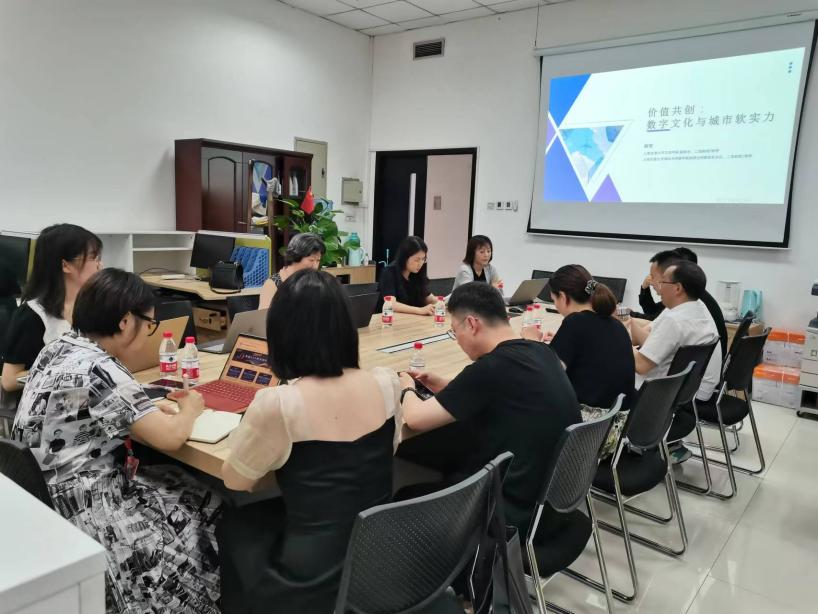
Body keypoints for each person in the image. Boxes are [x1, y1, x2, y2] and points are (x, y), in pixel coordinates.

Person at [11, 269, 221, 613]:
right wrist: (191, 407)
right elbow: (170, 437)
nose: (148, 334)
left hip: (41, 498)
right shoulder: (102, 369)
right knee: (203, 499)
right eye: (149, 325)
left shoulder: (60, 347)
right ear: (125, 322)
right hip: (87, 507)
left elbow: (85, 408)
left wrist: (140, 409)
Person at [218, 269, 402, 613]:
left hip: (310, 578)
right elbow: (391, 447)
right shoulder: (386, 383)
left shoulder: (280, 404)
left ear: (282, 334)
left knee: (235, 524)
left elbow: (236, 480)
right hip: (376, 558)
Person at [398, 281, 581, 536]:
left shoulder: (491, 368)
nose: (457, 340)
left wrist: (406, 386)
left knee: (404, 491)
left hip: (509, 510)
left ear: (472, 324)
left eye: (454, 331)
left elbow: (415, 419)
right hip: (551, 503)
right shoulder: (542, 352)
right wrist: (445, 385)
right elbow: (495, 390)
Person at [631, 261, 723, 463]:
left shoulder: (675, 320)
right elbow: (653, 341)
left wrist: (618, 339)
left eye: (662, 282)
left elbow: (641, 366)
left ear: (678, 288)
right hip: (679, 395)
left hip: (652, 398)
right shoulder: (697, 310)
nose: (658, 287)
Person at [1, 224, 102, 395]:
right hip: (51, 403)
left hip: (93, 393)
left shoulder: (94, 305)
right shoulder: (33, 315)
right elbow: (9, 380)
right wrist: (65, 371)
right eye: (93, 258)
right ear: (66, 265)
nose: (100, 265)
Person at [525, 265, 634, 410]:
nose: (556, 306)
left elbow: (546, 375)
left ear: (563, 297)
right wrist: (563, 340)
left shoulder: (575, 322)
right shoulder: (615, 323)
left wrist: (532, 342)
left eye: (554, 300)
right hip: (618, 417)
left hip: (588, 420)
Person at [638, 247, 728, 360]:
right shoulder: (695, 300)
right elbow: (654, 322)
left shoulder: (679, 313)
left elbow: (642, 362)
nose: (652, 281)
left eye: (662, 278)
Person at [258, 232, 325, 309]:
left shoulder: (314, 281)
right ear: (296, 256)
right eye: (311, 260)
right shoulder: (272, 284)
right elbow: (264, 315)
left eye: (318, 260)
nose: (315, 266)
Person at [378, 235, 436, 315]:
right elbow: (391, 304)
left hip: (410, 319)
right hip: (388, 319)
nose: (420, 264)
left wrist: (443, 302)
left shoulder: (416, 274)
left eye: (423, 259)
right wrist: (420, 310)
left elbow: (430, 299)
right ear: (405, 258)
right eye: (417, 260)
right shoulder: (389, 273)